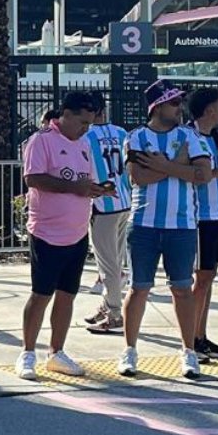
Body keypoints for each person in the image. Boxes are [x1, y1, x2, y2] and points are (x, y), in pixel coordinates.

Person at [120, 83, 212, 377]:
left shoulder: (190, 136)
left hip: (182, 225)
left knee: (183, 289)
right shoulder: (136, 137)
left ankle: (188, 352)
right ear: (157, 106)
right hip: (144, 223)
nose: (179, 108)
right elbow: (138, 178)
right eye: (173, 103)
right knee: (138, 289)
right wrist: (177, 164)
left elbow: (204, 175)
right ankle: (130, 350)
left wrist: (164, 165)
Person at [16, 91, 108, 379]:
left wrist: (96, 189)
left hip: (78, 233)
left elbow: (84, 182)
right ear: (64, 114)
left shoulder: (83, 145)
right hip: (46, 232)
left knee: (67, 295)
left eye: (89, 124)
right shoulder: (41, 140)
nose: (85, 129)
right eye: (81, 122)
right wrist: (75, 188)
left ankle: (57, 351)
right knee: (41, 294)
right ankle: (27, 353)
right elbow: (33, 178)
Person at [187, 88, 218, 363]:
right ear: (208, 110)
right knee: (201, 278)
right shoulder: (189, 136)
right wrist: (216, 173)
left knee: (208, 277)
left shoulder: (216, 138)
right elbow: (190, 173)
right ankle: (192, 339)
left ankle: (201, 335)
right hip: (200, 216)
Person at [83, 104, 132, 329]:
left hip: (103, 203)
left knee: (108, 264)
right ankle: (107, 305)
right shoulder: (121, 133)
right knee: (116, 258)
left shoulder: (86, 135)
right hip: (124, 201)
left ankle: (114, 313)